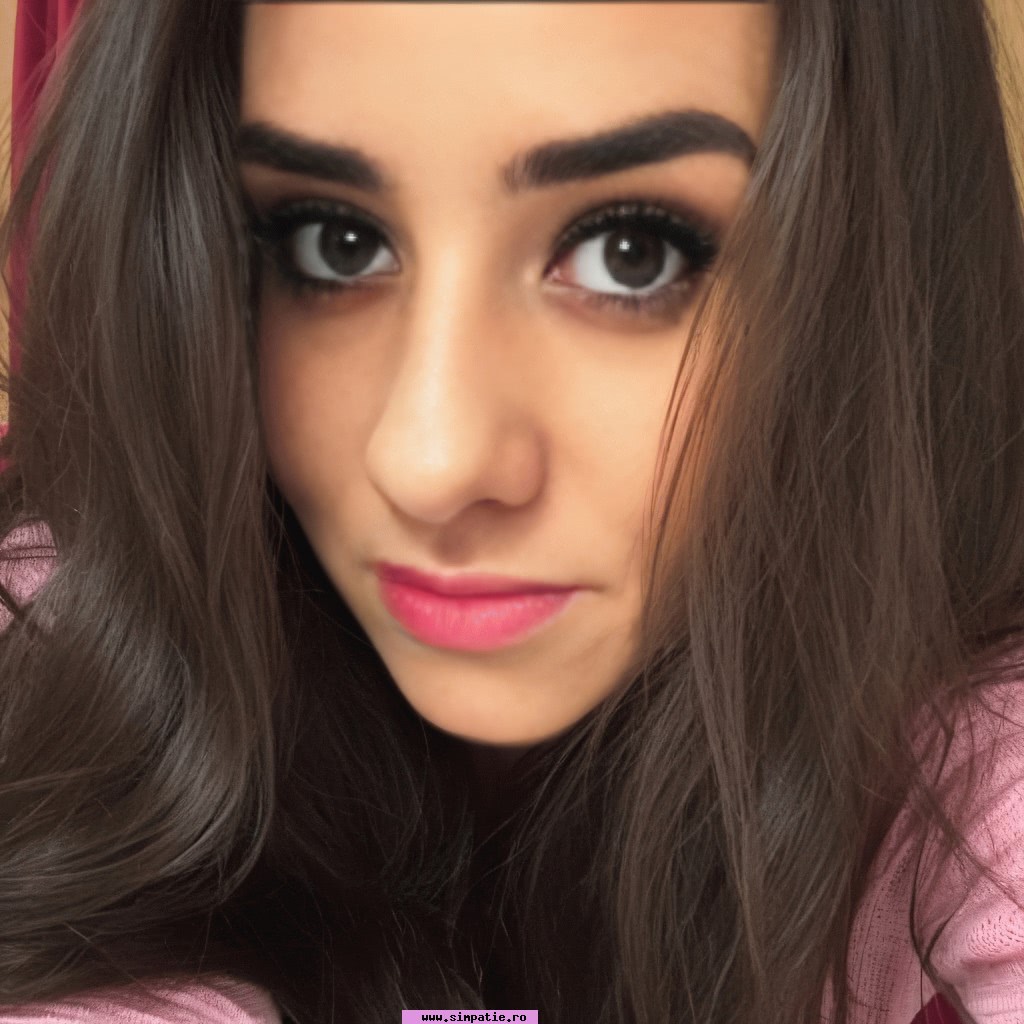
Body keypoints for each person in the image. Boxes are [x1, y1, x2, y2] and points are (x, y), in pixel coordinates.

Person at [0, 2, 1022, 1022]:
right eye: (336, 244)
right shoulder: (71, 636)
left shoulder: (952, 718)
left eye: (630, 252)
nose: (429, 462)